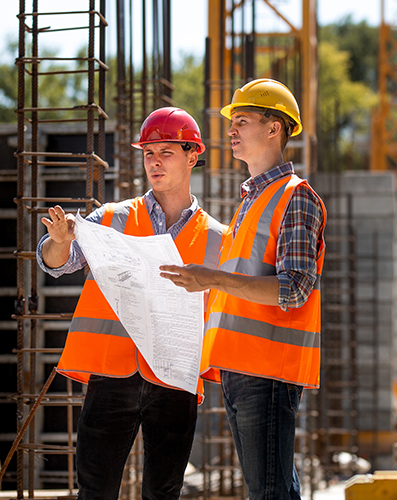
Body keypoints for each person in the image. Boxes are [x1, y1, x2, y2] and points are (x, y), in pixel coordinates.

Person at [37, 107, 225, 500]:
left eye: (165, 152)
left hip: (175, 380)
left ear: (193, 155)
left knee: (163, 493)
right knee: (95, 491)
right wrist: (58, 240)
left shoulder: (216, 239)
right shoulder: (112, 218)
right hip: (112, 373)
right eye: (148, 153)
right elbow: (58, 263)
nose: (154, 162)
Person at [159, 78, 325, 500]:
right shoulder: (252, 199)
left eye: (243, 120)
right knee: (274, 489)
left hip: (267, 367)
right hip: (241, 367)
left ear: (274, 129)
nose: (231, 129)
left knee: (268, 492)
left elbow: (295, 288)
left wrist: (212, 278)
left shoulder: (294, 197)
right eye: (232, 121)